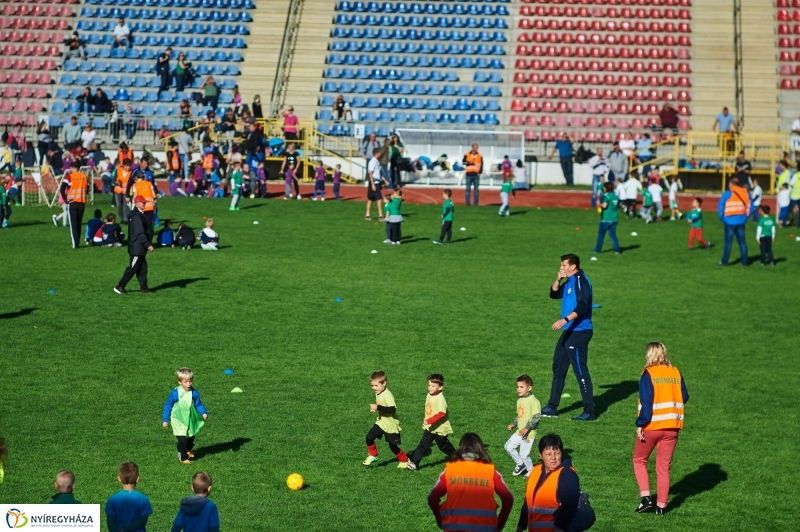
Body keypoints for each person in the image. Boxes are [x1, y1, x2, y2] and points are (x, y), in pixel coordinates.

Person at [633, 342, 689, 515]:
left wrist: (640, 423)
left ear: (650, 355)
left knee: (639, 460)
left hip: (652, 425)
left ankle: (646, 498)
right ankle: (662, 507)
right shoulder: (675, 372)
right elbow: (684, 396)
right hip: (672, 427)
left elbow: (647, 402)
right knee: (663, 467)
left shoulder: (648, 373)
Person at [543, 254, 595, 421]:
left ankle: (589, 411)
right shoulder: (570, 281)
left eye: (564, 265)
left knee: (580, 371)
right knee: (558, 367)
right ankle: (552, 407)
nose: (561, 267)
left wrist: (564, 320)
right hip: (569, 331)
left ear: (573, 266)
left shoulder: (581, 281)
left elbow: (583, 306)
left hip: (580, 332)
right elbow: (554, 294)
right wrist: (558, 279)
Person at [428, 433, 514, 532]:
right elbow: (508, 498)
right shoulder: (491, 471)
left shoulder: (450, 470)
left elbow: (432, 498)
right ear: (480, 448)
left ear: (461, 448)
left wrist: (440, 519)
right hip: (486, 527)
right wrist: (500, 523)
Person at [514, 434, 580, 532]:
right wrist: (521, 526)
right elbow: (528, 502)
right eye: (548, 454)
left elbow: (570, 507)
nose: (553, 458)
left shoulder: (567, 474)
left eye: (557, 453)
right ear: (540, 455)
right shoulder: (535, 471)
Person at [406, 373, 455, 471]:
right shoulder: (429, 394)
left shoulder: (440, 398)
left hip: (440, 428)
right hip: (431, 427)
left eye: (433, 386)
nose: (430, 388)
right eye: (429, 385)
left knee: (443, 446)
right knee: (423, 444)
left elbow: (441, 413)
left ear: (440, 387)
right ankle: (414, 463)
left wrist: (429, 420)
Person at [363, 370, 409, 468]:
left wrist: (378, 407)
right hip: (381, 422)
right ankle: (373, 454)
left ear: (384, 383)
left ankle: (405, 460)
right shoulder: (378, 391)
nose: (374, 388)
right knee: (369, 437)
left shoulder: (387, 395)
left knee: (393, 446)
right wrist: (376, 408)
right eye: (372, 385)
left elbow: (392, 409)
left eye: (376, 385)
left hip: (391, 425)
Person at [163, 367, 208, 464]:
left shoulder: (194, 392)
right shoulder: (175, 393)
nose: (189, 384)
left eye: (190, 381)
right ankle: (182, 457)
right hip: (178, 420)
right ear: (179, 382)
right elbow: (168, 406)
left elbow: (198, 404)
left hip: (190, 419)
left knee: (190, 437)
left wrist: (203, 413)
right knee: (182, 440)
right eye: (186, 382)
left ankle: (187, 449)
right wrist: (165, 420)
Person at [114, 196, 153, 294]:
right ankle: (120, 286)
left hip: (139, 247)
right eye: (143, 202)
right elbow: (140, 233)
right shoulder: (136, 216)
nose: (144, 204)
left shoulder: (138, 215)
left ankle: (144, 287)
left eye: (145, 202)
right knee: (133, 268)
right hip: (137, 248)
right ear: (137, 203)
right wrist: (148, 245)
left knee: (142, 268)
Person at [505, 375, 541, 478]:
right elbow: (519, 415)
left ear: (529, 388)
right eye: (517, 387)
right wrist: (514, 424)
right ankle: (520, 464)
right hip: (519, 431)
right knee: (508, 447)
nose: (518, 389)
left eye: (521, 387)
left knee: (524, 454)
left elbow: (537, 417)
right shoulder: (519, 400)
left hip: (529, 434)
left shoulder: (533, 401)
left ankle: (531, 472)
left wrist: (527, 428)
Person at [105, 462, 153, 532]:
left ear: (119, 479)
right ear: (137, 479)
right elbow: (143, 521)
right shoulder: (143, 499)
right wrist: (127, 528)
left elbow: (110, 524)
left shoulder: (112, 499)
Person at [718, 177, 752, 266]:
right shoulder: (745, 193)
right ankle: (745, 262)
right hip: (741, 221)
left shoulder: (727, 194)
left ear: (731, 184)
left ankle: (725, 261)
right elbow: (751, 207)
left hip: (729, 222)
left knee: (728, 243)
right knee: (742, 243)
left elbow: (721, 207)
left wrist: (723, 218)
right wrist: (745, 217)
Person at [59, 161, 90, 249]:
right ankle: (77, 242)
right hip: (82, 202)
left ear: (72, 168)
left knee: (73, 224)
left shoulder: (69, 176)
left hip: (72, 202)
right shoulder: (84, 177)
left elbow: (62, 188)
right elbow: (87, 189)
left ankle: (75, 244)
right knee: (79, 223)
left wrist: (65, 198)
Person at [592, 181, 621, 254]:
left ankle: (597, 250)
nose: (603, 188)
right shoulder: (615, 196)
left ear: (607, 188)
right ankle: (617, 250)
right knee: (613, 235)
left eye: (604, 187)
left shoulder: (606, 196)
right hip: (614, 218)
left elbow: (604, 206)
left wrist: (599, 204)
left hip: (606, 219)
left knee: (601, 235)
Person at [366, 147, 386, 220]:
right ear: (376, 153)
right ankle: (380, 216)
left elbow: (378, 173)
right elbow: (370, 173)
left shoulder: (377, 162)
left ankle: (367, 215)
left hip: (377, 182)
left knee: (371, 199)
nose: (381, 154)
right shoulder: (372, 162)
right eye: (380, 152)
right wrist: (373, 184)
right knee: (379, 199)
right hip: (374, 182)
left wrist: (384, 180)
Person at [113, 158, 133, 223]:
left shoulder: (131, 172)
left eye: (129, 166)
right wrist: (116, 182)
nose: (128, 167)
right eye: (127, 166)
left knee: (126, 206)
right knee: (119, 205)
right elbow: (114, 180)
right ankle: (122, 218)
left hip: (126, 191)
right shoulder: (118, 170)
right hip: (118, 190)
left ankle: (126, 219)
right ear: (123, 165)